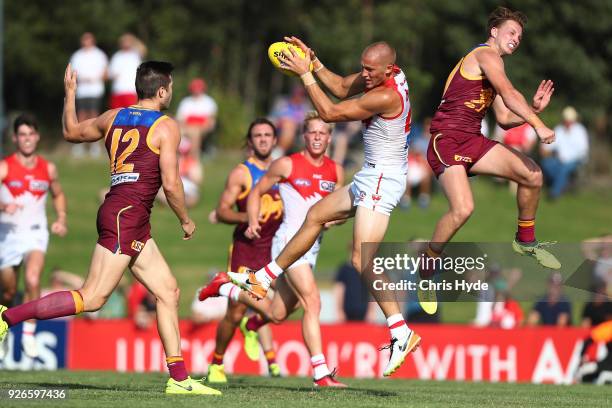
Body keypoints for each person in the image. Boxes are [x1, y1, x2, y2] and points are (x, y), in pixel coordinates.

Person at [0, 61, 220, 395]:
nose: (172, 91)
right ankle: (7, 318)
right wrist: (185, 219)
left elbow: (71, 132)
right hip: (127, 217)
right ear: (162, 90)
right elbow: (173, 184)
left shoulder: (113, 116)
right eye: (171, 86)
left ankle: (179, 378)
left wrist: (70, 93)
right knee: (92, 297)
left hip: (127, 216)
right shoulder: (166, 126)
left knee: (168, 291)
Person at [226, 37, 421, 377]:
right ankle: (263, 278)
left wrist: (304, 76)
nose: (364, 74)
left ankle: (400, 332)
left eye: (370, 70)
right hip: (371, 175)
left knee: (362, 258)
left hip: (382, 181)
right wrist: (314, 63)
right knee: (315, 215)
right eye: (363, 66)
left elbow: (330, 112)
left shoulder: (386, 94)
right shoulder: (383, 75)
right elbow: (343, 87)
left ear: (388, 69)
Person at [417, 6, 560, 315]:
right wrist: (537, 124)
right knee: (464, 208)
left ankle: (525, 240)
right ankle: (427, 269)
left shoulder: (492, 67)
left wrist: (535, 109)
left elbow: (506, 118)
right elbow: (509, 92)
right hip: (447, 139)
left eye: (520, 37)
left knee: (533, 175)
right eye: (511, 32)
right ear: (494, 31)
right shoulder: (486, 55)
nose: (516, 39)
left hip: (472, 140)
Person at [201, 113, 346, 386]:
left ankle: (228, 288)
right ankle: (320, 374)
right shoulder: (285, 165)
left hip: (309, 248)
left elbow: (335, 212)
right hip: (287, 243)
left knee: (278, 314)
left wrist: (334, 220)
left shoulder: (336, 171)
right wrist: (251, 219)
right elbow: (253, 194)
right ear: (303, 136)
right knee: (312, 302)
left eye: (322, 133)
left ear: (330, 137)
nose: (317, 137)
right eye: (312, 132)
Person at [204, 118, 282, 384]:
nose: (262, 139)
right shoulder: (242, 173)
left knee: (294, 300)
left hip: (278, 251)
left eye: (267, 135)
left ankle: (254, 327)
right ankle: (216, 363)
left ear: (275, 140)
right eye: (257, 135)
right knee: (235, 312)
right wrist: (246, 219)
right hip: (246, 252)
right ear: (250, 141)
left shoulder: (284, 169)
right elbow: (222, 210)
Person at [0, 114, 68, 359]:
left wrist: (61, 218)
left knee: (32, 278)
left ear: (37, 137)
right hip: (8, 235)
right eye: (22, 135)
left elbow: (58, 194)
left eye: (31, 134)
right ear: (15, 138)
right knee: (7, 292)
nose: (27, 139)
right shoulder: (5, 167)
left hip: (35, 234)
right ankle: (4, 330)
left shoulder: (47, 168)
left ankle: (29, 333)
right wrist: (3, 206)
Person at [69, 32, 108, 158]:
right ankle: (79, 143)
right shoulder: (77, 56)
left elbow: (105, 72)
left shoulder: (99, 55)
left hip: (95, 90)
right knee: (81, 116)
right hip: (81, 90)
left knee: (94, 115)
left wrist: (96, 78)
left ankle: (94, 145)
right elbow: (72, 72)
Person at [540, 106, 590, 199]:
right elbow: (549, 145)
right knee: (546, 163)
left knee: (564, 169)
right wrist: (545, 147)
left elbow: (583, 150)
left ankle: (554, 193)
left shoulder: (580, 130)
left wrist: (567, 159)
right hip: (559, 160)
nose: (568, 122)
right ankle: (563, 184)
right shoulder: (559, 129)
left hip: (576, 160)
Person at [176, 78, 218, 160]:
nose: (197, 91)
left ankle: (193, 159)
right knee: (177, 132)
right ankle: (178, 157)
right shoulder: (186, 102)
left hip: (202, 127)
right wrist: (187, 127)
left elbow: (210, 120)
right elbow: (180, 119)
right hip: (187, 126)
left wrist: (196, 127)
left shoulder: (209, 102)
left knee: (195, 133)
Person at [269, 85, 312, 157]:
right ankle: (277, 154)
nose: (299, 97)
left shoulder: (305, 107)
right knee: (288, 124)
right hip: (279, 128)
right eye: (297, 94)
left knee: (290, 125)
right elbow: (272, 117)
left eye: (302, 95)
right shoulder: (282, 103)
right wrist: (280, 121)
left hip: (297, 132)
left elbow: (307, 123)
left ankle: (276, 155)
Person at [108, 33, 146, 109]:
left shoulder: (135, 54)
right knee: (116, 117)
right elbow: (110, 73)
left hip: (132, 91)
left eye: (128, 41)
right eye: (124, 41)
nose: (126, 43)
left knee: (132, 116)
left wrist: (133, 39)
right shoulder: (116, 56)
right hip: (117, 91)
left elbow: (143, 48)